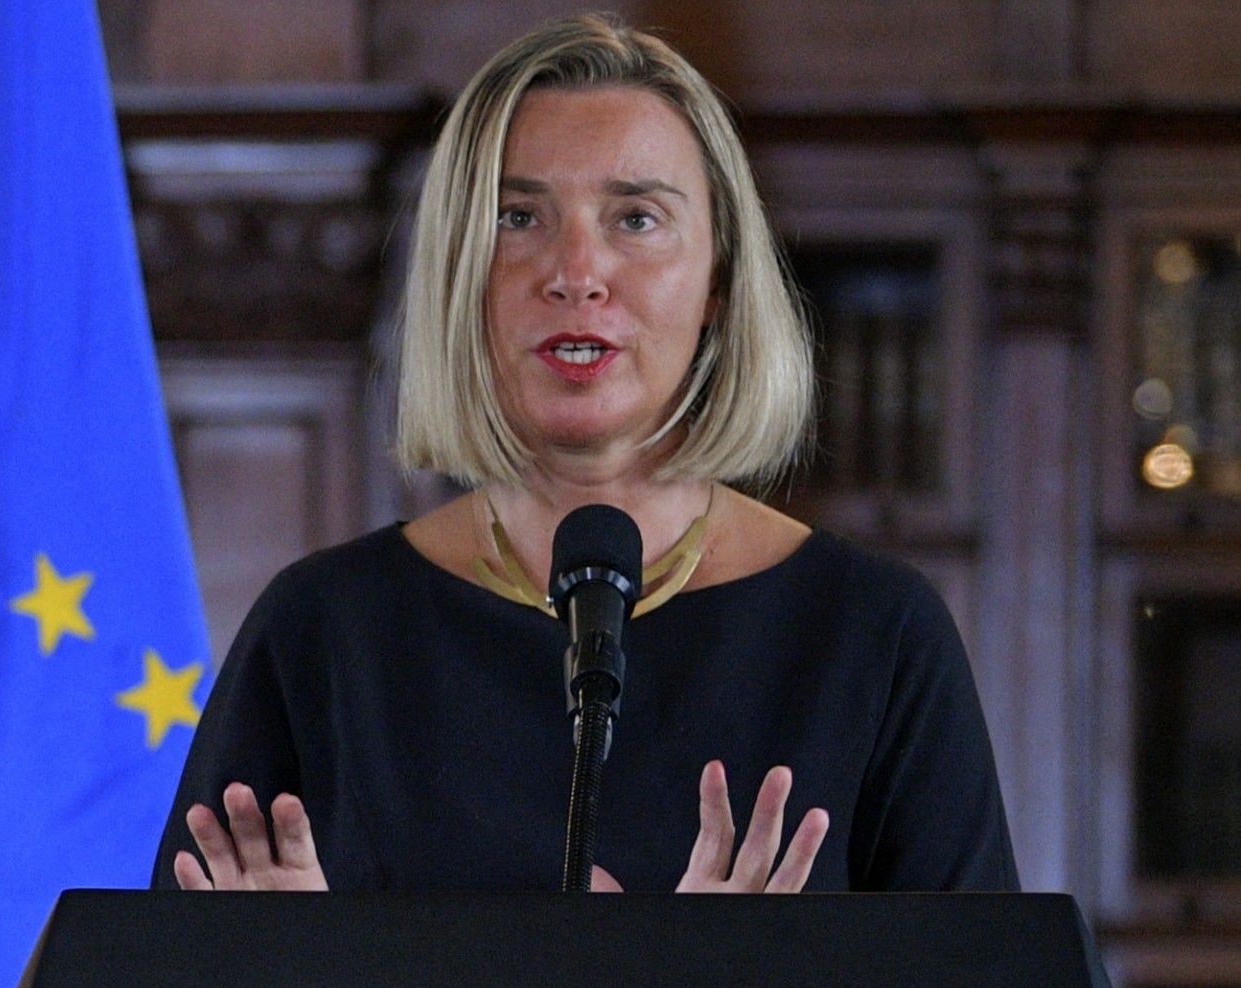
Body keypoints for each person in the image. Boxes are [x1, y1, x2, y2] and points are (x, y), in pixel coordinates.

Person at [151, 12, 1018, 894]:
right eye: (518, 215)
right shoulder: (320, 631)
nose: (575, 270)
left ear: (718, 278)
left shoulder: (874, 633)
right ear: (457, 269)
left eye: (635, 218)